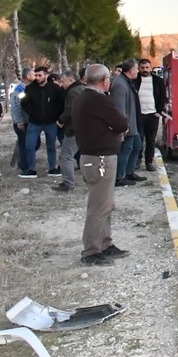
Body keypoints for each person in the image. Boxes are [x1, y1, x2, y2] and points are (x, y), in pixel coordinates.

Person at [71, 63, 130, 266]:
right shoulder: (97, 100)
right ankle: (91, 250)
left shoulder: (82, 98)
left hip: (93, 157)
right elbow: (121, 123)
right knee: (99, 206)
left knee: (105, 204)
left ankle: (105, 243)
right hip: (100, 159)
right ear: (105, 81)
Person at [23, 66, 65, 178]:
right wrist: (32, 114)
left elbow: (62, 103)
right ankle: (31, 169)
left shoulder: (55, 88)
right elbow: (24, 103)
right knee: (30, 145)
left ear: (46, 75)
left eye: (39, 75)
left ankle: (52, 168)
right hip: (34, 122)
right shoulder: (29, 88)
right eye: (35, 75)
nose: (37, 78)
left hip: (51, 122)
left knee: (51, 146)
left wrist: (56, 115)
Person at [110, 59, 144, 187]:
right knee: (126, 149)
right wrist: (123, 125)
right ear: (131, 70)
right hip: (127, 125)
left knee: (137, 147)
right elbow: (119, 107)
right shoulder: (120, 84)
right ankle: (120, 177)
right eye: (136, 69)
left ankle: (129, 172)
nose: (138, 71)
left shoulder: (127, 82)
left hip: (133, 123)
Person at [54, 69, 84, 192]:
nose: (61, 84)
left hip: (75, 128)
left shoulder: (73, 92)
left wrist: (60, 120)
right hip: (85, 128)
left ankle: (68, 183)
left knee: (65, 156)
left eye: (63, 81)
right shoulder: (83, 89)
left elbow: (70, 110)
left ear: (71, 80)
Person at [134, 58, 166, 171]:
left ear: (151, 67)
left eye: (147, 67)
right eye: (142, 68)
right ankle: (137, 160)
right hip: (139, 115)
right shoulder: (134, 81)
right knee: (138, 139)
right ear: (138, 68)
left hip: (153, 115)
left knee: (150, 140)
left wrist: (159, 111)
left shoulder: (158, 81)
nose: (145, 70)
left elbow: (163, 97)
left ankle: (149, 162)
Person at [10, 68, 32, 175]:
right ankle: (24, 166)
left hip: (28, 121)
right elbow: (16, 107)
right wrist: (19, 121)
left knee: (31, 144)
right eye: (33, 74)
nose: (35, 76)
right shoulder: (19, 90)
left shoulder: (29, 88)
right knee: (24, 144)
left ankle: (22, 162)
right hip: (22, 122)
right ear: (27, 76)